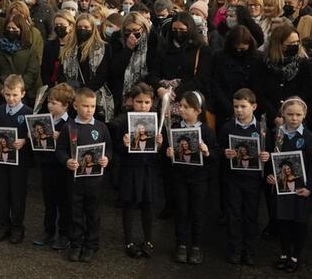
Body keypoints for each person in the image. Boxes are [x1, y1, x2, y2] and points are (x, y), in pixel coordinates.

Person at [55, 88, 111, 264]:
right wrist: (66, 161)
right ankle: (76, 244)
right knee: (75, 213)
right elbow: (60, 150)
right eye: (85, 106)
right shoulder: (69, 127)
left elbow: (109, 148)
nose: (89, 110)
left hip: (94, 181)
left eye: (92, 106)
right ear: (76, 105)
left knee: (93, 213)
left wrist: (106, 158)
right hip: (75, 182)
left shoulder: (101, 127)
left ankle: (91, 244)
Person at [219, 88, 270, 266]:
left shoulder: (262, 130)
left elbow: (269, 151)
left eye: (243, 106)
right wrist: (225, 153)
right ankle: (235, 249)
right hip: (232, 178)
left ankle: (249, 250)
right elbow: (219, 149)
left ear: (253, 106)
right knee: (234, 214)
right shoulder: (228, 127)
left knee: (250, 214)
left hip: (253, 180)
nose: (239, 110)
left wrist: (267, 156)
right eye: (236, 106)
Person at [165, 90, 217, 265]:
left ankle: (196, 246)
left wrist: (207, 152)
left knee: (197, 212)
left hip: (199, 179)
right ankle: (180, 244)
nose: (182, 109)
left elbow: (216, 156)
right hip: (179, 177)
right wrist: (168, 152)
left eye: (187, 107)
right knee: (181, 210)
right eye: (181, 106)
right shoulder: (175, 128)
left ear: (198, 111)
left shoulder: (207, 131)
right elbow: (165, 153)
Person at [267, 97, 312, 274]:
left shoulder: (308, 137)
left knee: (299, 222)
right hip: (282, 189)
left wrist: (309, 187)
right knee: (284, 221)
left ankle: (295, 255)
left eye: (298, 114)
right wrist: (271, 175)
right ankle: (285, 253)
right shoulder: (278, 134)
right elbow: (272, 158)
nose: (294, 118)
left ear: (304, 115)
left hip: (300, 189)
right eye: (290, 114)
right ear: (283, 115)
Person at [113, 82, 163, 259]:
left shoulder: (156, 121)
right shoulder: (124, 120)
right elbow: (116, 147)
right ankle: (129, 240)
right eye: (139, 102)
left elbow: (160, 155)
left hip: (148, 169)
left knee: (148, 205)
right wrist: (124, 143)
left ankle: (148, 240)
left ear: (152, 103)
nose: (143, 106)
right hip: (130, 169)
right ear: (131, 101)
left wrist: (160, 144)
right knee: (129, 204)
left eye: (147, 102)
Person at [0, 74, 32, 244]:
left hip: (20, 163)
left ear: (22, 93)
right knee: (3, 193)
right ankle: (4, 225)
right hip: (2, 160)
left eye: (15, 95)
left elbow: (33, 137)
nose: (11, 98)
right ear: (3, 93)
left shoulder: (28, 112)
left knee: (17, 194)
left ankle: (17, 227)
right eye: (8, 94)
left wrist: (25, 140)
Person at [33, 83, 73, 250]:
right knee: (49, 202)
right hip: (47, 165)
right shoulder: (44, 120)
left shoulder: (70, 124)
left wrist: (61, 138)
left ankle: (64, 235)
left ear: (65, 105)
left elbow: (75, 148)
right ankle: (48, 232)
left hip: (63, 169)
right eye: (49, 102)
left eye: (54, 103)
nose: (49, 105)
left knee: (64, 203)